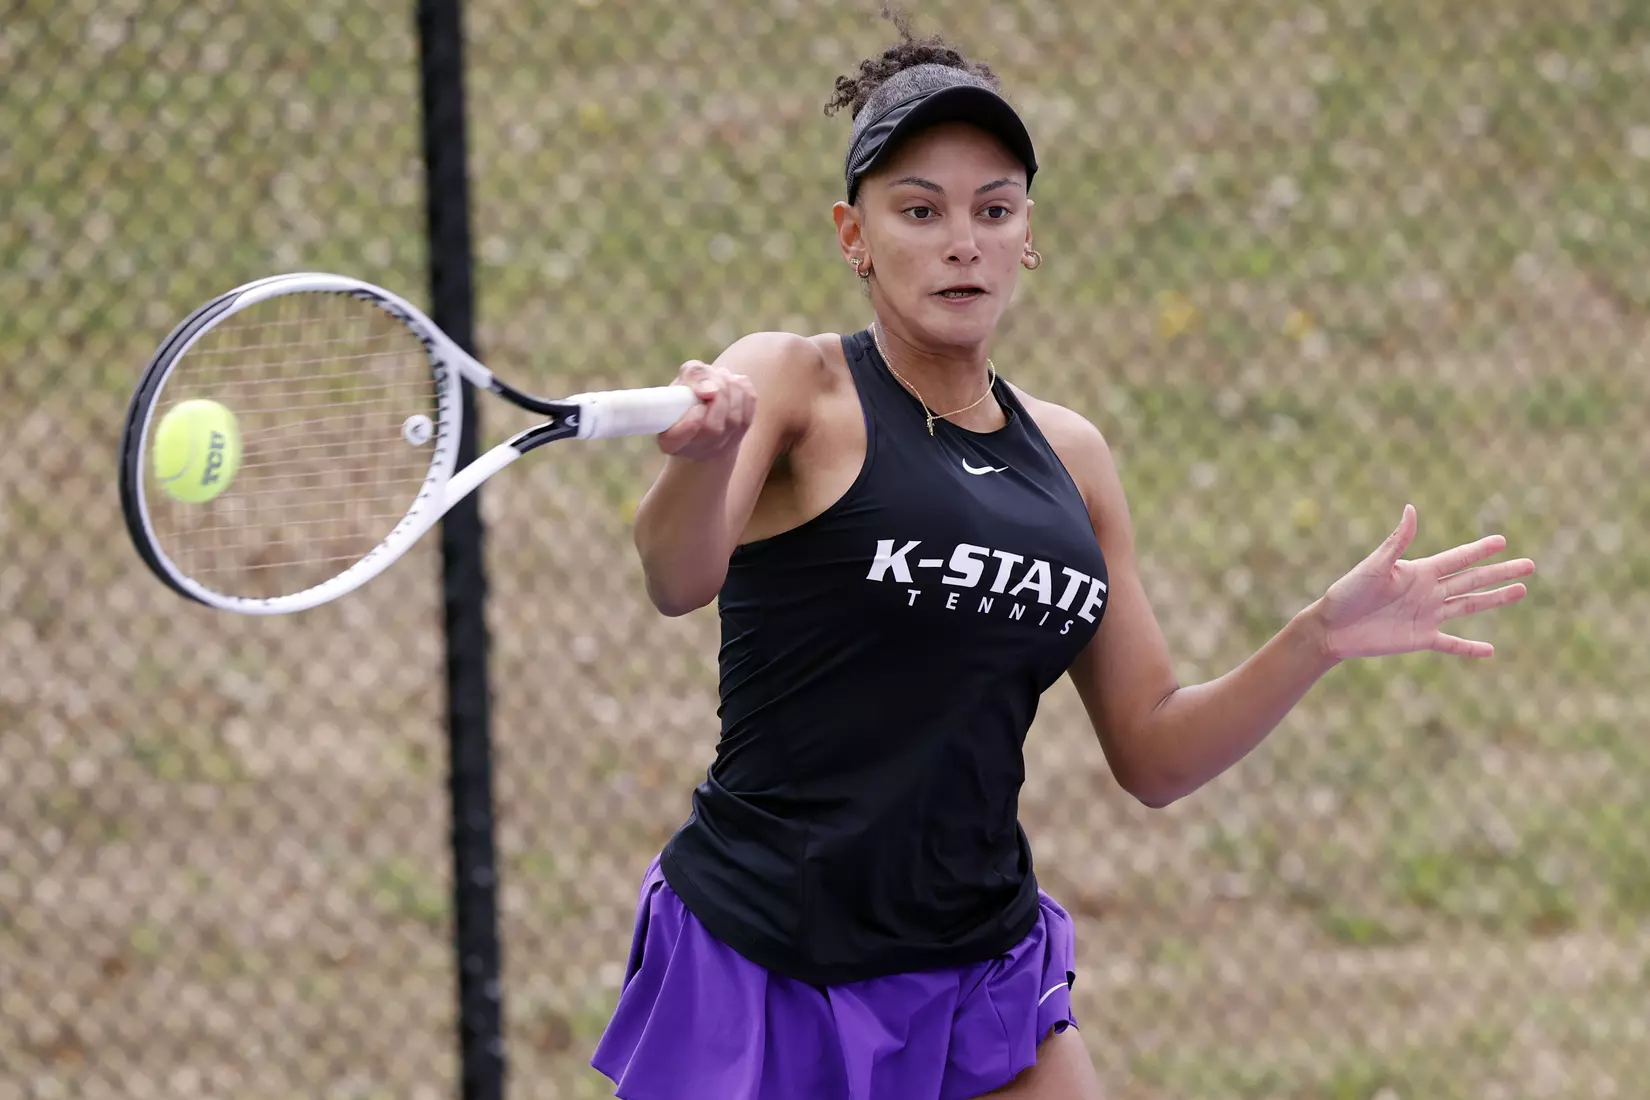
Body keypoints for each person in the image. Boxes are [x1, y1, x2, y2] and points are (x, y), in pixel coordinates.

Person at [589, 13, 1535, 1100]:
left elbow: (1155, 752)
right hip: (769, 952)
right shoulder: (794, 381)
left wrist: (1317, 636)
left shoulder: (1072, 457)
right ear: (854, 236)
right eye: (920, 210)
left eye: (994, 209)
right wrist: (703, 459)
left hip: (977, 966)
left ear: (1026, 233)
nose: (963, 241)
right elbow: (676, 576)